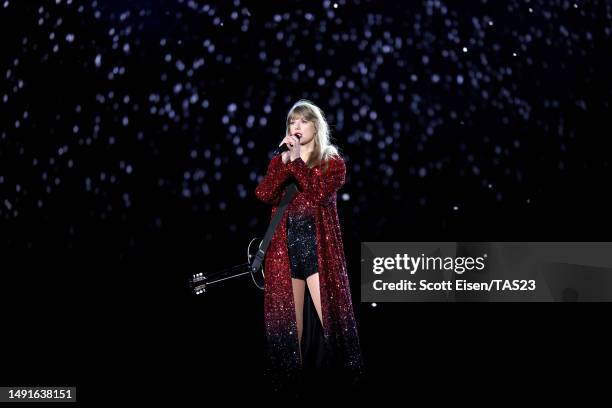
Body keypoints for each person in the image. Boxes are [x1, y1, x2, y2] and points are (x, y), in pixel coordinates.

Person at [255, 99, 363, 394]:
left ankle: (347, 385)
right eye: (292, 122)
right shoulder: (283, 162)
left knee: (333, 322)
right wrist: (283, 164)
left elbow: (316, 194)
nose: (296, 127)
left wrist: (299, 162)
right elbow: (264, 194)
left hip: (319, 254)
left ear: (316, 126)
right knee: (289, 332)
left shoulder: (332, 164)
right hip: (284, 255)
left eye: (302, 121)